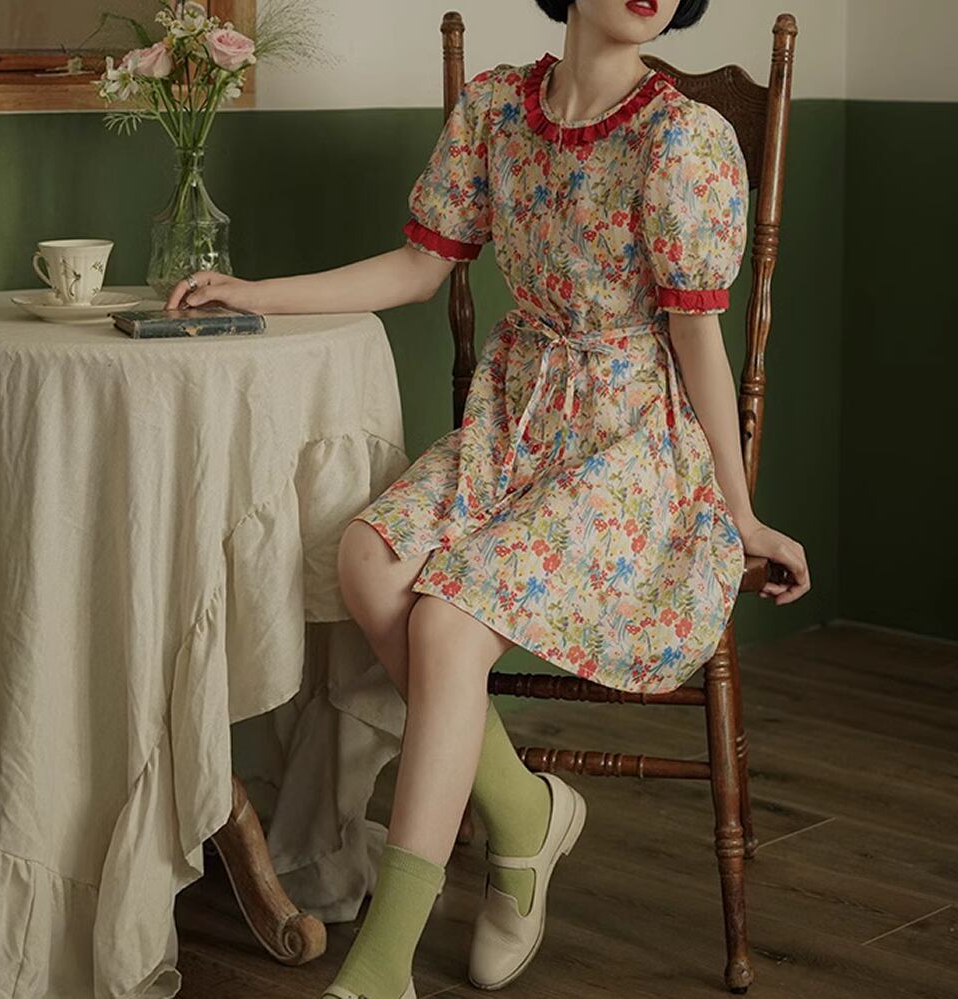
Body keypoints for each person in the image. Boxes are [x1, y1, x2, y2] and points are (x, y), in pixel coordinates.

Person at [166, 1, 810, 995]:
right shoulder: (497, 109)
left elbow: (698, 340)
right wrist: (254, 292)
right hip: (515, 424)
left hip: (628, 448)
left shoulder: (681, 139)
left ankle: (381, 967)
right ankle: (522, 812)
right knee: (367, 561)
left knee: (447, 621)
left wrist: (742, 508)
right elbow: (419, 268)